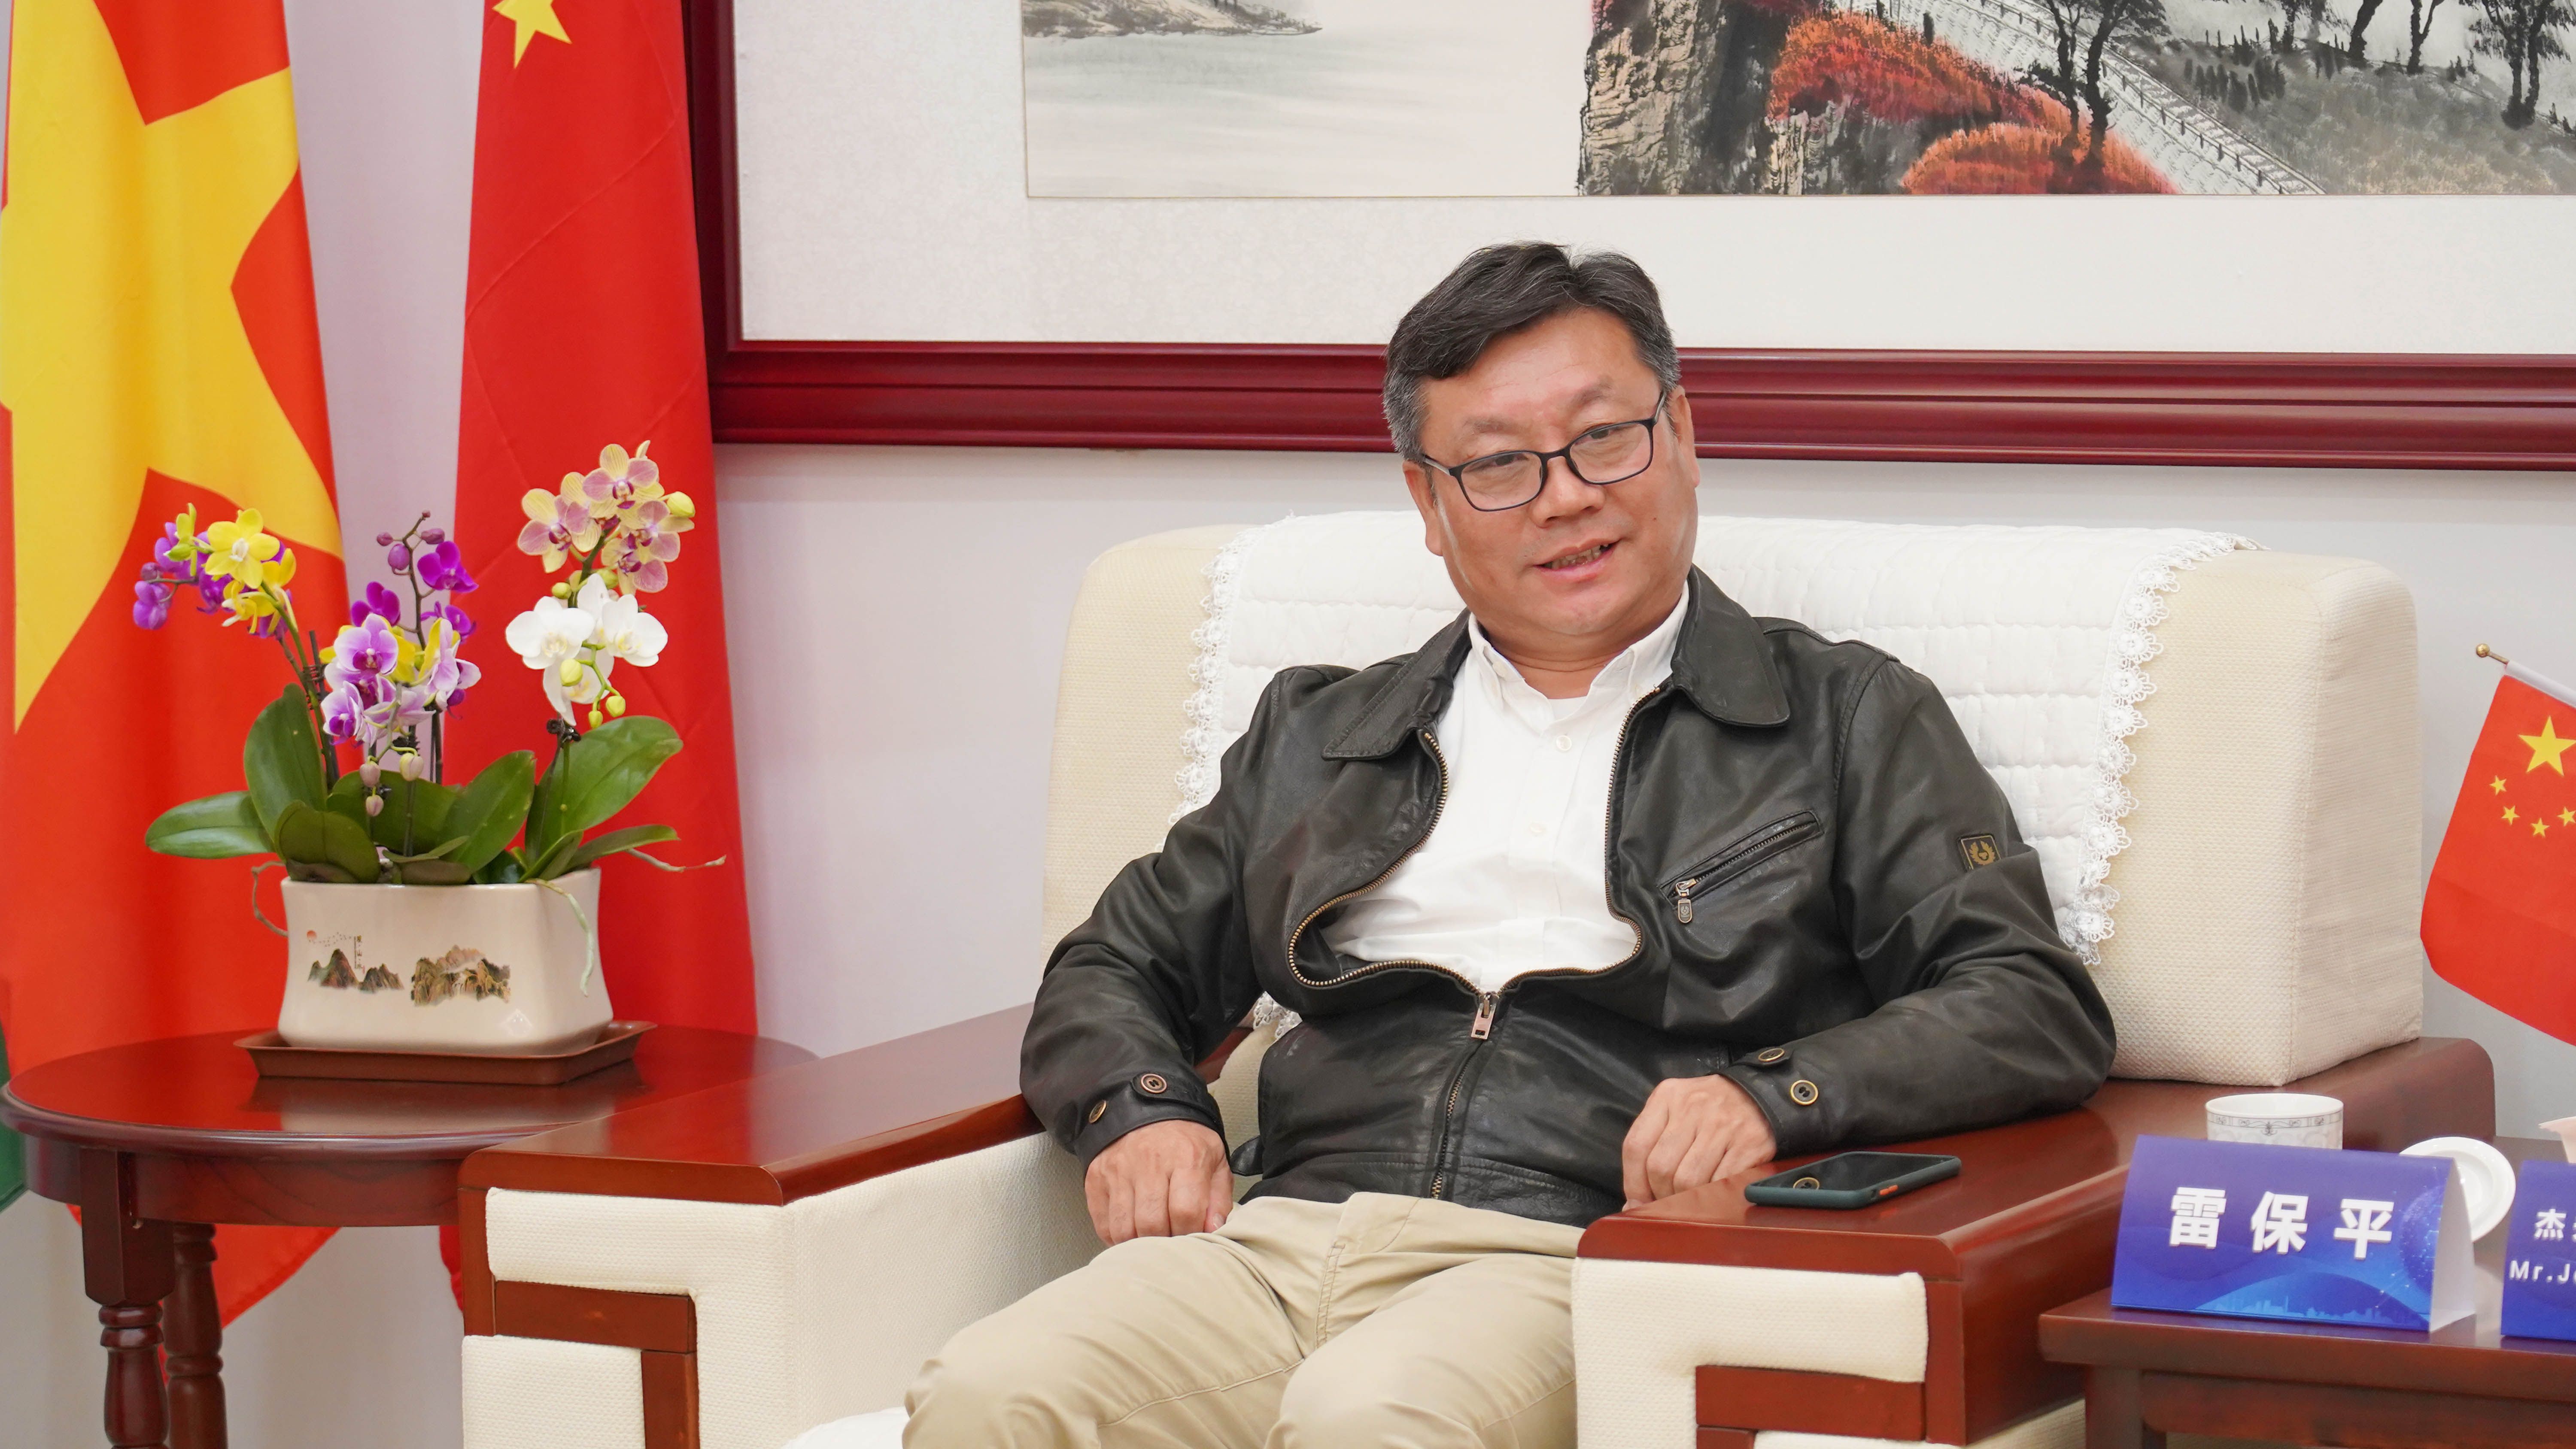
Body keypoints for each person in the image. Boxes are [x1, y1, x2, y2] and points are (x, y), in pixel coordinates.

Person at [902, 243, 2115, 1448]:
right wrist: (1143, 1108)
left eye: (1604, 438)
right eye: (1496, 465)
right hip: (1280, 1237)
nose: (1565, 497)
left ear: (1683, 434)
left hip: (1573, 1249)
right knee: (987, 1394)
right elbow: (1114, 964)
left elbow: (2027, 1000)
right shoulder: (1325, 735)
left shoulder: (1842, 718)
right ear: (1429, 505)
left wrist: (1776, 1096)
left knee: (1369, 1418)